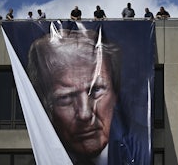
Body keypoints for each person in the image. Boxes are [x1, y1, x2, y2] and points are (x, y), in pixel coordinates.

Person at [27, 29, 141, 164]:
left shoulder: (140, 150)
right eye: (65, 98)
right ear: (45, 105)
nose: (84, 114)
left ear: (115, 93)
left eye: (97, 90)